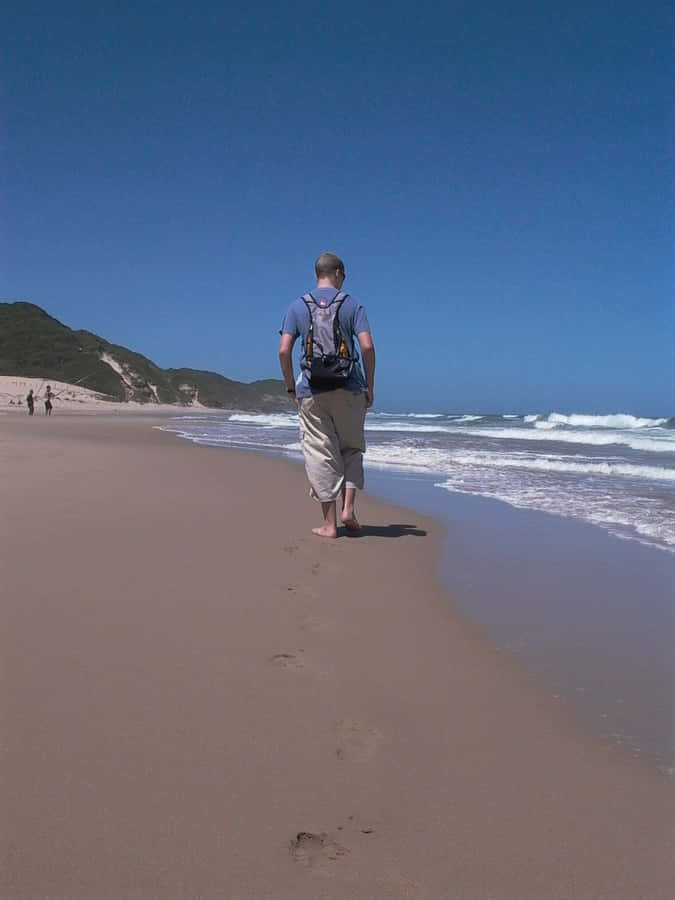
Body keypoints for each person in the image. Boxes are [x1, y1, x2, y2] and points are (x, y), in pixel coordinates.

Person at [279, 252, 375, 538]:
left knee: (321, 453)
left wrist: (290, 387)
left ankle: (330, 524)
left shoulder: (297, 306)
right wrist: (370, 385)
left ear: (317, 274)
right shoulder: (353, 305)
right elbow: (367, 347)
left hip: (312, 389)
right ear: (338, 273)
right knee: (351, 449)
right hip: (350, 387)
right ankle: (349, 509)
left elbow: (284, 350)